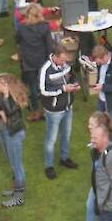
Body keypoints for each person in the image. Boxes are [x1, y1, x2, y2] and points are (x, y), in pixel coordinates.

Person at [39, 43, 81, 179]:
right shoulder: (46, 69)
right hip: (54, 110)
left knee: (66, 135)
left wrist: (74, 85)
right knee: (51, 139)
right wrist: (63, 89)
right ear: (55, 57)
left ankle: (64, 158)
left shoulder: (66, 64)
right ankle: (48, 165)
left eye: (66, 59)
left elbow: (71, 76)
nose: (64, 63)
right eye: (62, 60)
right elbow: (43, 91)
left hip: (68, 106)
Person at [0, 73, 28, 208]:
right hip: (4, 131)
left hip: (14, 134)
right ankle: (16, 188)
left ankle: (19, 198)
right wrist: (0, 113)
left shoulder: (15, 98)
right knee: (12, 163)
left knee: (17, 165)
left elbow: (10, 111)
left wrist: (6, 97)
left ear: (7, 85)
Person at [15, 4, 52, 121]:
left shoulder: (21, 27)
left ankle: (35, 111)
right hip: (42, 61)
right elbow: (49, 46)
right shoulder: (45, 27)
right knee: (45, 87)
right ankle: (47, 110)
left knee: (33, 88)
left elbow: (17, 40)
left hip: (28, 62)